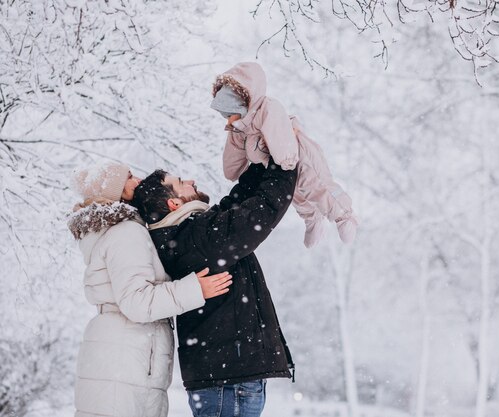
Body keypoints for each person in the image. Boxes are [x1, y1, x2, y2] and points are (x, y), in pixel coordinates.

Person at [131, 159, 297, 417]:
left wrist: (264, 160)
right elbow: (262, 210)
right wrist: (286, 161)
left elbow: (237, 203)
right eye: (180, 183)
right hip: (230, 379)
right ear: (174, 204)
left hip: (225, 377)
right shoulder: (197, 238)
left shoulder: (187, 236)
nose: (191, 181)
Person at [68, 162, 233, 417]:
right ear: (116, 191)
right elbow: (137, 301)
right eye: (130, 177)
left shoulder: (117, 231)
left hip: (121, 352)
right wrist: (193, 289)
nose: (139, 179)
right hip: (125, 357)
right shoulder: (125, 232)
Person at [210, 61, 358, 248]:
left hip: (299, 154)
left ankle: (344, 215)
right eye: (226, 115)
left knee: (317, 186)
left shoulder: (268, 108)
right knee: (294, 194)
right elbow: (233, 156)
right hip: (279, 166)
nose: (229, 119)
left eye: (231, 113)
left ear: (244, 103)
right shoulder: (239, 129)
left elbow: (278, 130)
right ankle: (312, 218)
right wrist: (233, 170)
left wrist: (286, 159)